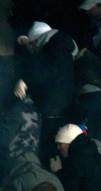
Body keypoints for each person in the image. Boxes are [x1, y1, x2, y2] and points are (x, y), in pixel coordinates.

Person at [13, 21, 78, 168]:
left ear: (37, 40)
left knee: (49, 145)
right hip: (56, 105)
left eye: (32, 44)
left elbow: (49, 69)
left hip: (55, 106)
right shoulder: (57, 44)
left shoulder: (57, 45)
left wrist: (26, 81)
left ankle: (50, 172)